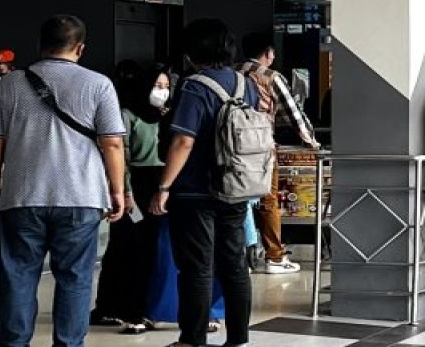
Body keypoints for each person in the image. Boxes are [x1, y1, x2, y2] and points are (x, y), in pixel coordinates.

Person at [0, 15, 127, 347]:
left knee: (17, 279)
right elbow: (113, 142)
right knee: (75, 280)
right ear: (80, 48)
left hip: (21, 196)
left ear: (40, 45)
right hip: (81, 197)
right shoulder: (99, 84)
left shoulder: (10, 84)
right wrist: (116, 190)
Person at [150, 19, 257, 347]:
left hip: (196, 190)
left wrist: (164, 186)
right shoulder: (244, 83)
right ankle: (238, 337)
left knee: (196, 267)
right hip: (236, 187)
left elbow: (183, 141)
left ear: (193, 50)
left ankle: (192, 339)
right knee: (234, 264)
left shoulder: (195, 86)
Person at [90, 61, 170, 334]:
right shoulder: (126, 114)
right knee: (126, 248)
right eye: (157, 86)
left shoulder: (168, 115)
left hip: (162, 183)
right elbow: (121, 156)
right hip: (135, 184)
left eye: (166, 87)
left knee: (150, 250)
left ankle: (143, 305)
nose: (162, 91)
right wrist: (125, 191)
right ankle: (115, 306)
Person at [238, 32, 320, 275]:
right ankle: (275, 256)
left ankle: (241, 254)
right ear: (267, 53)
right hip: (261, 146)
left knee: (236, 198)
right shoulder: (270, 77)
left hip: (230, 146)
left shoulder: (232, 74)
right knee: (268, 199)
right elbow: (293, 115)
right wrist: (312, 141)